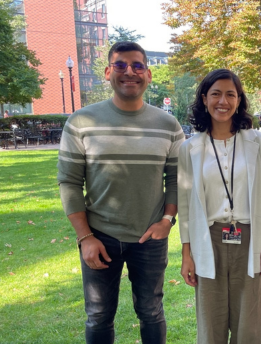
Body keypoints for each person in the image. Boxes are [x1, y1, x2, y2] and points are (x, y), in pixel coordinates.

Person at [57, 41, 185, 344]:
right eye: (121, 65)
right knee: (99, 316)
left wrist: (167, 220)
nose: (130, 72)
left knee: (152, 312)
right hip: (100, 236)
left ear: (148, 74)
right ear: (107, 72)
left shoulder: (168, 125)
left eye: (137, 65)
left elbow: (178, 180)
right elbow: (69, 182)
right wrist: (85, 237)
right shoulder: (81, 122)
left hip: (150, 238)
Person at [178, 69, 261, 344]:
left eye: (230, 94)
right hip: (207, 239)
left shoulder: (257, 142)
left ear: (239, 100)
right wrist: (187, 253)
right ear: (204, 98)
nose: (223, 101)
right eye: (216, 94)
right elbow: (185, 205)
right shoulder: (190, 148)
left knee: (251, 323)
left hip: (250, 238)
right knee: (211, 323)